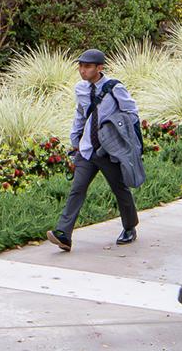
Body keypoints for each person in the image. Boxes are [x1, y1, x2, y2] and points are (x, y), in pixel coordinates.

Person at [46, 48, 142, 251]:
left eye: (87, 66)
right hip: (87, 149)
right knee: (77, 189)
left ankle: (129, 227)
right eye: (80, 66)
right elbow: (80, 115)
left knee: (119, 188)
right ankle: (64, 234)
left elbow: (131, 113)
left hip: (109, 151)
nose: (82, 70)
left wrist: (122, 138)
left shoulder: (115, 88)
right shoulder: (80, 89)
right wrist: (75, 142)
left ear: (100, 68)